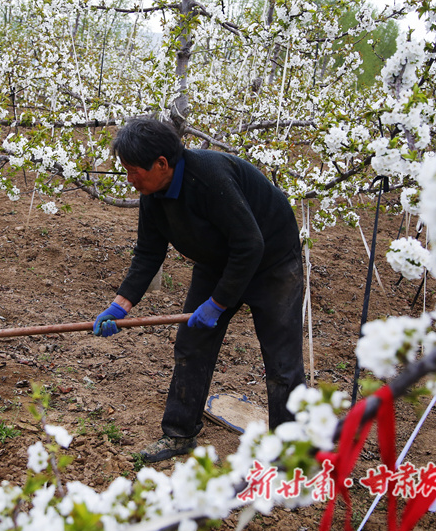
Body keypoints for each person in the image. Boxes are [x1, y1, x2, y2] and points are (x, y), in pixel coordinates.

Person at [93, 117, 306, 463]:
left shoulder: (209, 177)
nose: (130, 180)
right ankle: (179, 435)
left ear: (162, 163)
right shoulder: (153, 193)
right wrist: (121, 304)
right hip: (217, 261)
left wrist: (219, 303)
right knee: (192, 346)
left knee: (282, 361)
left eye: (134, 171)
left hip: (272, 262)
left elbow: (250, 244)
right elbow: (149, 252)